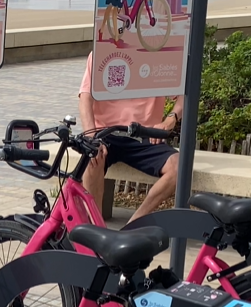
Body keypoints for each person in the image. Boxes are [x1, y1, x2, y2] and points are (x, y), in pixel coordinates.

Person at [77, 53, 184, 221]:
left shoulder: (161, 53)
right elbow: (85, 97)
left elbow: (184, 94)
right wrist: (91, 137)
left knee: (179, 167)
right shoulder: (102, 50)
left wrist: (170, 119)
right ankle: (95, 228)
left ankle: (133, 225)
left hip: (144, 134)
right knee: (93, 157)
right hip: (107, 132)